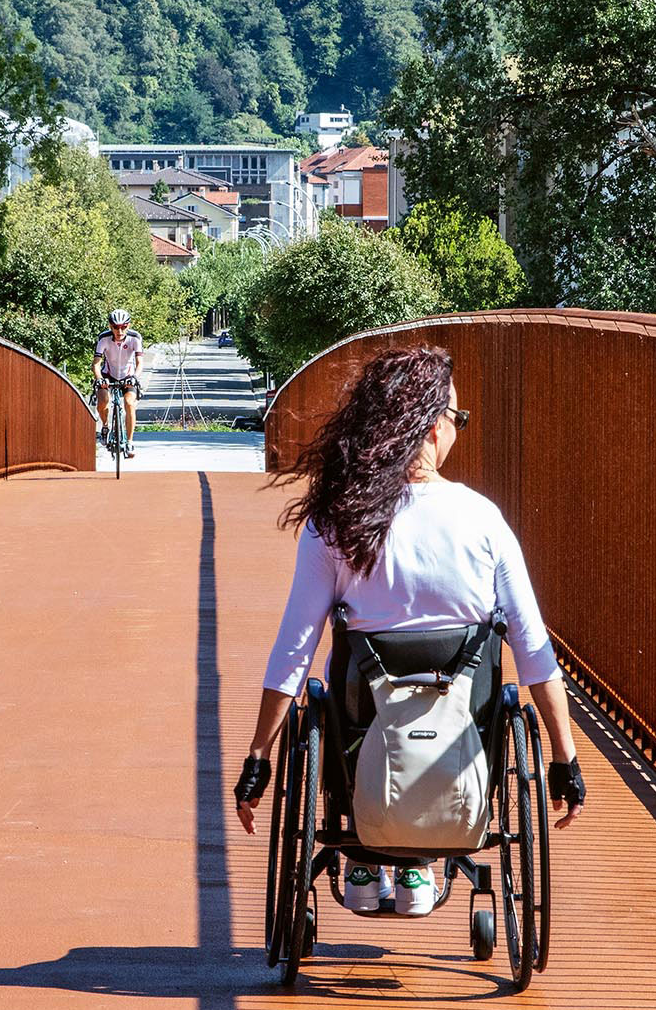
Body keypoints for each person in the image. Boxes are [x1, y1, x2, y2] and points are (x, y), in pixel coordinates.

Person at [233, 345, 584, 916]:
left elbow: (294, 652)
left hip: (359, 732)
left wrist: (258, 756)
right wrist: (565, 761)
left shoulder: (337, 521)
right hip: (462, 740)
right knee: (476, 691)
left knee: (339, 690)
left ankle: (364, 854)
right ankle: (423, 863)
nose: (458, 431)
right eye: (457, 418)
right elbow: (535, 653)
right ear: (430, 423)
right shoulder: (483, 522)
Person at [92, 308, 144, 456]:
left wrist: (134, 377)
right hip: (108, 374)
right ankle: (105, 427)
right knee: (103, 400)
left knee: (129, 403)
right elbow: (96, 364)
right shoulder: (104, 338)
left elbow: (140, 362)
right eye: (115, 327)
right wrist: (100, 380)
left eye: (123, 326)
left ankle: (130, 442)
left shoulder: (135, 337)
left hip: (128, 375)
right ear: (110, 326)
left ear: (128, 325)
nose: (119, 330)